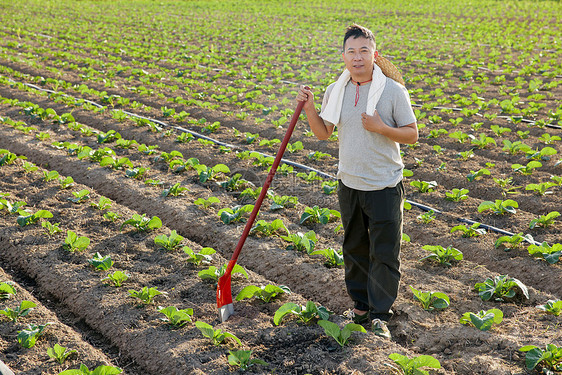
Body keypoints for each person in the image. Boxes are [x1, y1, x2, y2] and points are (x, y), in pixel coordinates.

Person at [296, 24, 418, 339]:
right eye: (352, 51)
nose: (358, 57)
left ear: (374, 54)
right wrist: (310, 108)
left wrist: (381, 127)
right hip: (349, 184)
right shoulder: (337, 90)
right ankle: (360, 307)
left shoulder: (392, 91)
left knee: (384, 252)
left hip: (383, 186)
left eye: (364, 51)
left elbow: (412, 134)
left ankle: (380, 316)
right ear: (344, 56)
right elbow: (323, 132)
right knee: (354, 248)